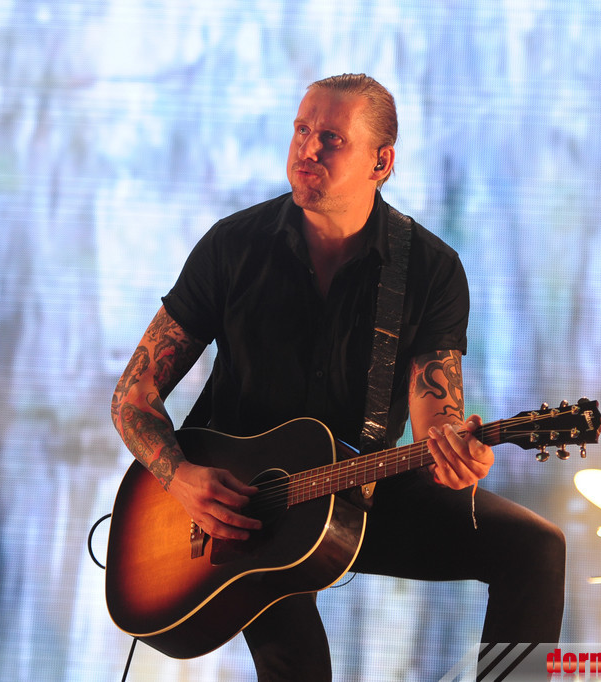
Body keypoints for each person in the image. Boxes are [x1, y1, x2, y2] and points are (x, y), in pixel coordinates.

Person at [110, 73, 565, 680]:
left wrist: (455, 454)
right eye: (301, 130)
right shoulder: (232, 247)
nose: (307, 149)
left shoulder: (430, 269)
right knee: (298, 664)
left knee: (536, 548)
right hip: (245, 507)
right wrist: (181, 477)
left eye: (331, 138)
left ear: (382, 162)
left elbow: (438, 419)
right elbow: (133, 397)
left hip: (361, 484)